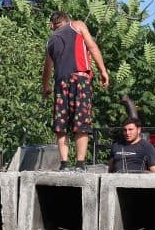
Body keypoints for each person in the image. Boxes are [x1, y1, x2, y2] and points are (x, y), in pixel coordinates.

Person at [41, 11, 110, 171]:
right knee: (81, 120)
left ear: (52, 25)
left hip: (60, 83)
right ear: (67, 20)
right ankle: (79, 164)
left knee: (61, 124)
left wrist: (45, 87)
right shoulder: (77, 25)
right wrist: (103, 71)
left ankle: (64, 164)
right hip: (79, 79)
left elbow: (47, 68)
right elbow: (92, 46)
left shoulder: (51, 40)